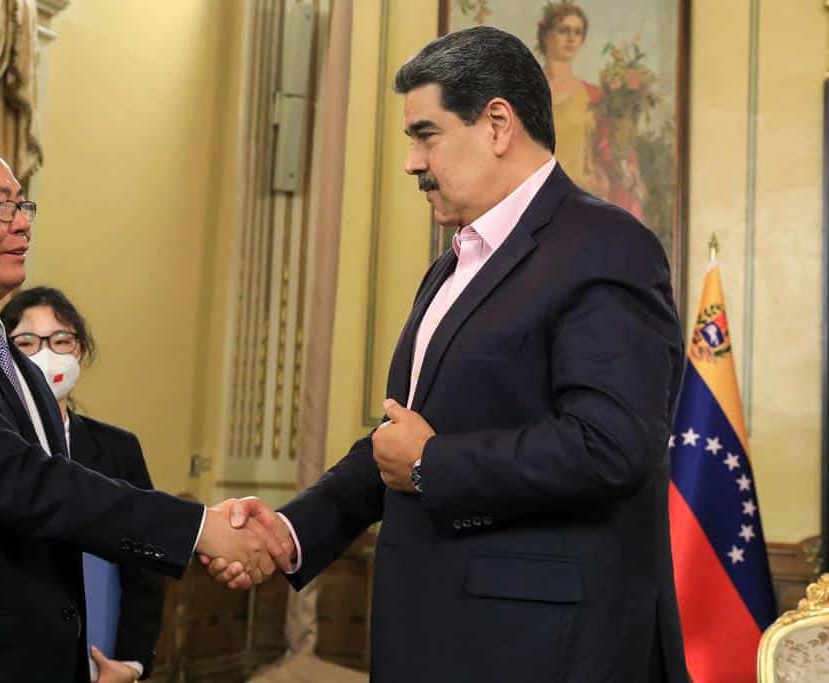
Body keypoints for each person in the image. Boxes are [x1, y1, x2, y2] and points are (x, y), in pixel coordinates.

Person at [207, 26, 690, 682]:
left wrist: (435, 462)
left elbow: (612, 445)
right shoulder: (452, 265)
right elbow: (397, 440)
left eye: (425, 134)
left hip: (540, 656)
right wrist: (291, 533)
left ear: (496, 124)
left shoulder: (606, 245)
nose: (412, 161)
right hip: (437, 644)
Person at [0, 135, 289, 683]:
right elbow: (27, 484)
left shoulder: (11, 363)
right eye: (0, 207)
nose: (21, 223)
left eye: (22, 206)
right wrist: (202, 529)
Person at [1, 287, 164, 681]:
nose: (47, 353)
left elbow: (143, 567)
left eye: (61, 340)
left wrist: (132, 661)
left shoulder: (117, 449)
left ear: (79, 352)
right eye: (26, 342)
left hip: (93, 654)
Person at [537, 1, 646, 218]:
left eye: (578, 32)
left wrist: (622, 169)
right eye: (564, 30)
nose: (571, 38)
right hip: (536, 201)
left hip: (580, 200)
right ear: (546, 35)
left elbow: (607, 146)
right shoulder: (527, 92)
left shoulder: (593, 96)